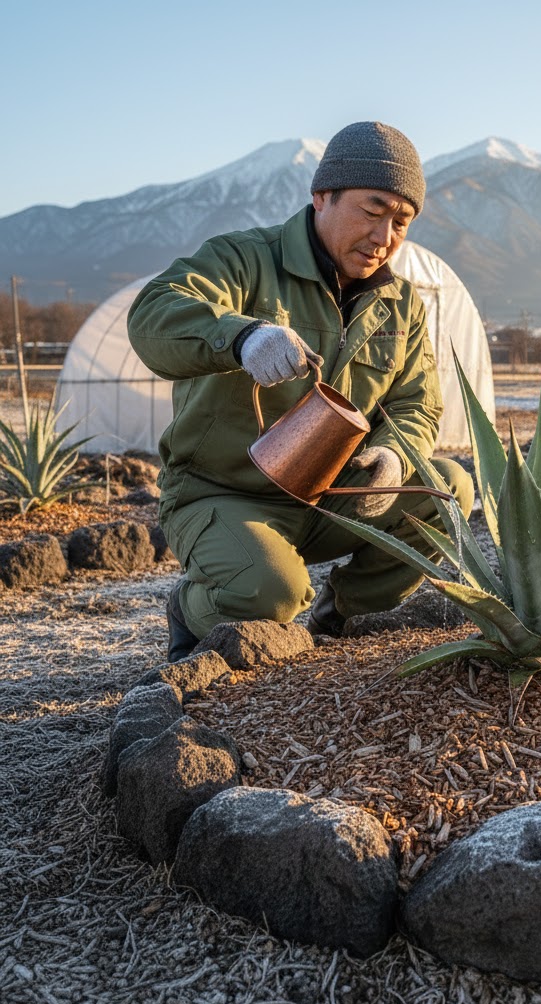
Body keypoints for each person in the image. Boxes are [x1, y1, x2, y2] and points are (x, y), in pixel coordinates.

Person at [128, 121, 474, 662]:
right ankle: (194, 603)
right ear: (321, 196)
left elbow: (416, 402)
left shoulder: (400, 304)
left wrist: (393, 455)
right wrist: (241, 337)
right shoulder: (244, 260)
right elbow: (153, 313)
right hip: (224, 492)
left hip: (329, 497)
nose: (384, 237)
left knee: (445, 491)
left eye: (401, 222)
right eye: (372, 210)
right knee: (268, 595)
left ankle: (342, 614)